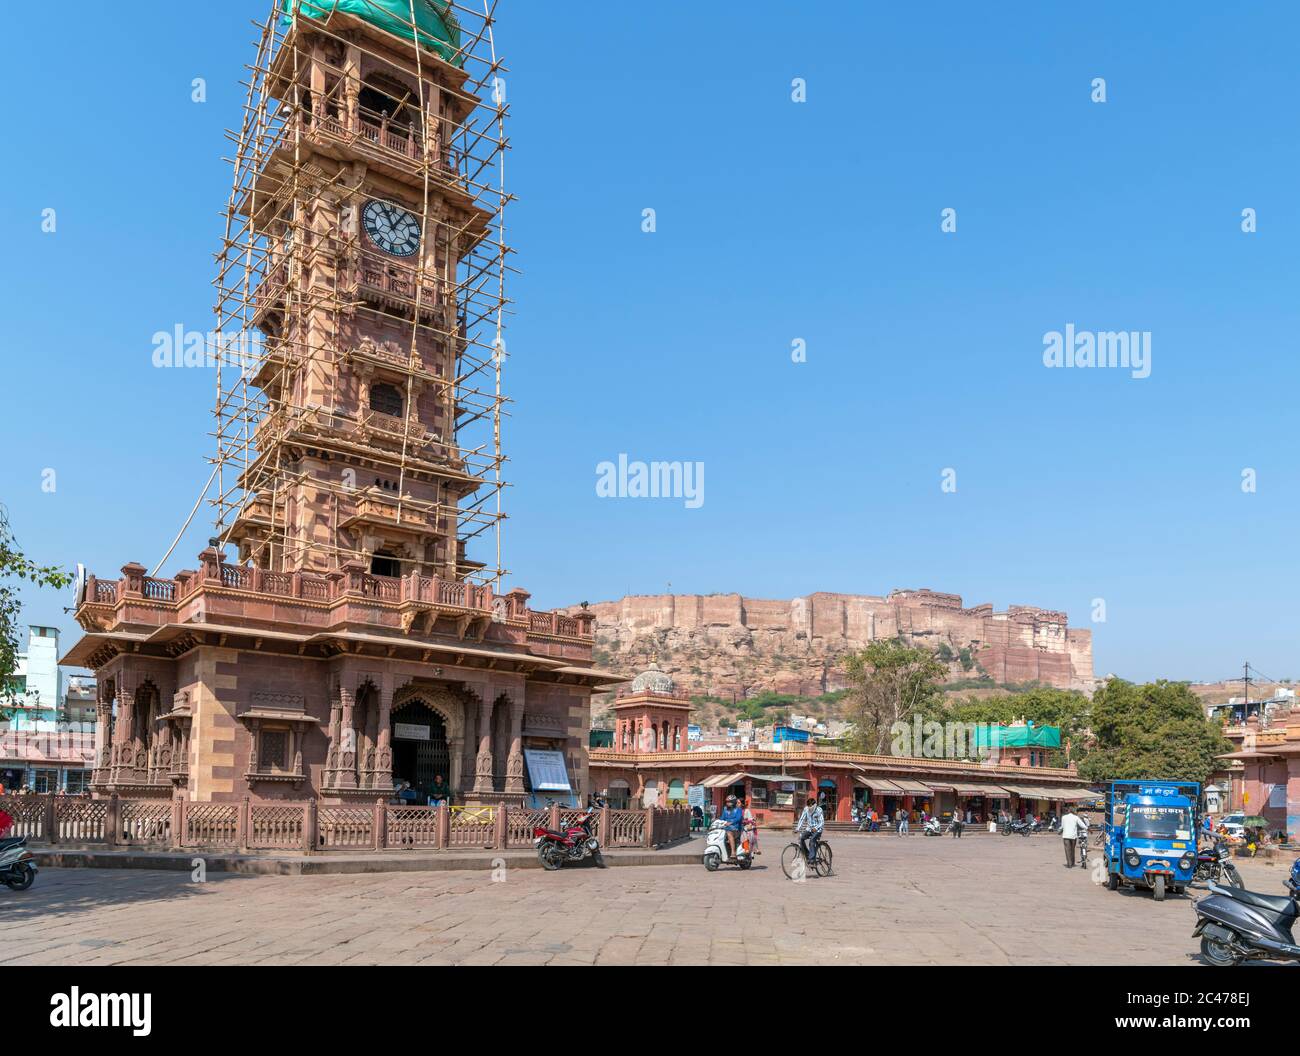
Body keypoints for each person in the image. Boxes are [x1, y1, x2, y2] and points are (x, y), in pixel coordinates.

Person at [794, 795, 824, 867]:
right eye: (808, 806)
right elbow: (802, 819)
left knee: (812, 840)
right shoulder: (806, 809)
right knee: (801, 838)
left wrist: (816, 828)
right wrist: (797, 828)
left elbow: (822, 822)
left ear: (814, 805)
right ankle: (808, 854)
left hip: (818, 830)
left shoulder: (819, 810)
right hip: (809, 829)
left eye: (811, 806)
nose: (809, 808)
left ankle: (812, 861)